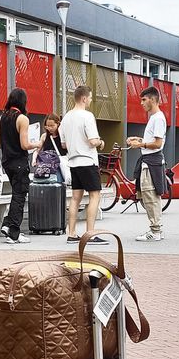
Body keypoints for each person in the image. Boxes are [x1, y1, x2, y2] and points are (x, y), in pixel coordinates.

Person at [61, 85, 108, 245]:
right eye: (90, 97)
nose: (91, 100)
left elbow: (64, 144)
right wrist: (101, 142)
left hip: (73, 162)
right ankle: (91, 234)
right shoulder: (87, 116)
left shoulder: (66, 117)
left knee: (75, 198)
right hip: (87, 161)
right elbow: (93, 141)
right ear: (84, 98)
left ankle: (72, 233)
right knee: (95, 195)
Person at [0, 88, 38, 245]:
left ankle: (8, 226)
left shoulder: (2, 117)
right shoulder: (22, 119)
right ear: (23, 101)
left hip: (6, 162)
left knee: (16, 194)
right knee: (19, 196)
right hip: (19, 162)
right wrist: (37, 144)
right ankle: (13, 231)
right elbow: (24, 144)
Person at [127, 85, 167, 242]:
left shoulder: (157, 118)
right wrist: (139, 140)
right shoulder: (155, 118)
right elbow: (154, 141)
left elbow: (157, 144)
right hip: (149, 161)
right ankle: (155, 229)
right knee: (147, 195)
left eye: (144, 100)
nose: (142, 103)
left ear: (152, 99)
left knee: (150, 195)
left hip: (151, 161)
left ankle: (155, 231)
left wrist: (140, 144)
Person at [33, 114, 68, 183]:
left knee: (58, 184)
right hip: (47, 167)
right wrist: (34, 160)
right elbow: (37, 150)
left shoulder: (63, 136)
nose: (49, 128)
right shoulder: (44, 136)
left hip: (60, 166)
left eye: (52, 126)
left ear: (58, 124)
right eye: (47, 126)